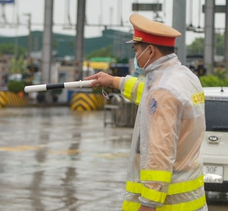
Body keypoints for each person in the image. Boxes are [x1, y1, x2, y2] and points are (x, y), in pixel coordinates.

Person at [85, 14, 207, 211]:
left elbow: (160, 151)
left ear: (150, 50)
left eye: (136, 50)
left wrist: (148, 204)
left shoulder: (162, 90)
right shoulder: (185, 78)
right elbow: (146, 91)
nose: (135, 56)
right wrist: (114, 81)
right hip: (191, 200)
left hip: (166, 205)